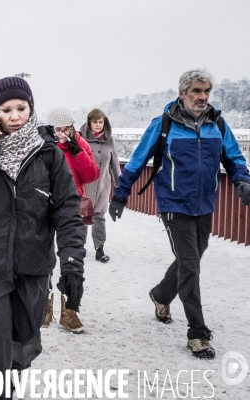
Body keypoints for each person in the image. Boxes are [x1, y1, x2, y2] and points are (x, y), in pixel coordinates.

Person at [0, 77, 86, 400]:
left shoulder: (48, 154)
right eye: (6, 109)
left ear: (31, 108)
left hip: (33, 267)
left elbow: (67, 210)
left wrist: (72, 262)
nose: (14, 115)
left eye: (21, 108)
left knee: (25, 345)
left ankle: (8, 384)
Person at [109, 69, 250, 360]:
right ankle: (197, 333)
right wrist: (120, 195)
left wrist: (242, 180)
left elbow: (234, 158)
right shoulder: (163, 125)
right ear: (182, 93)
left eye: (206, 91)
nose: (202, 97)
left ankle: (161, 295)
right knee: (190, 265)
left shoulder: (217, 125)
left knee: (192, 259)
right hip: (174, 204)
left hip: (205, 204)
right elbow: (136, 162)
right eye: (196, 91)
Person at [45, 107, 99, 332]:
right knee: (41, 256)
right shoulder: (43, 145)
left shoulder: (79, 143)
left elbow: (91, 175)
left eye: (67, 128)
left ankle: (69, 310)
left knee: (73, 258)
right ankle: (43, 306)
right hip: (46, 205)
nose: (63, 133)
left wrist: (77, 153)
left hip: (75, 204)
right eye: (58, 129)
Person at [79, 109, 121, 263]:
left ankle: (99, 248)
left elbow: (115, 163)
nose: (98, 125)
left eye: (100, 122)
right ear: (89, 122)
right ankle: (79, 247)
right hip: (85, 186)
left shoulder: (109, 140)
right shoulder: (80, 139)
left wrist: (120, 186)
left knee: (99, 216)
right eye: (95, 122)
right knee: (83, 215)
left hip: (103, 185)